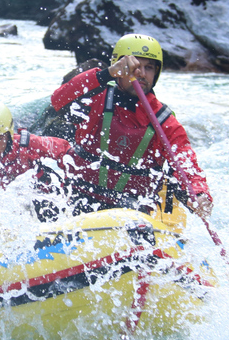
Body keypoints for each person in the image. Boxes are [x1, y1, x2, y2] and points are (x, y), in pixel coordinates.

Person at [50, 33, 213, 218]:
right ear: (119, 66)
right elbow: (58, 100)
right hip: (80, 199)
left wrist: (200, 194)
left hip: (131, 212)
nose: (141, 74)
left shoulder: (164, 121)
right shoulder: (96, 97)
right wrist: (108, 73)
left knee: (132, 216)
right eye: (134, 65)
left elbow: (185, 163)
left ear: (156, 73)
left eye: (149, 68)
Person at [0, 100, 72, 220]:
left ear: (8, 135)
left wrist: (69, 189)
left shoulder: (28, 144)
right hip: (10, 214)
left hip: (45, 201)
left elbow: (66, 152)